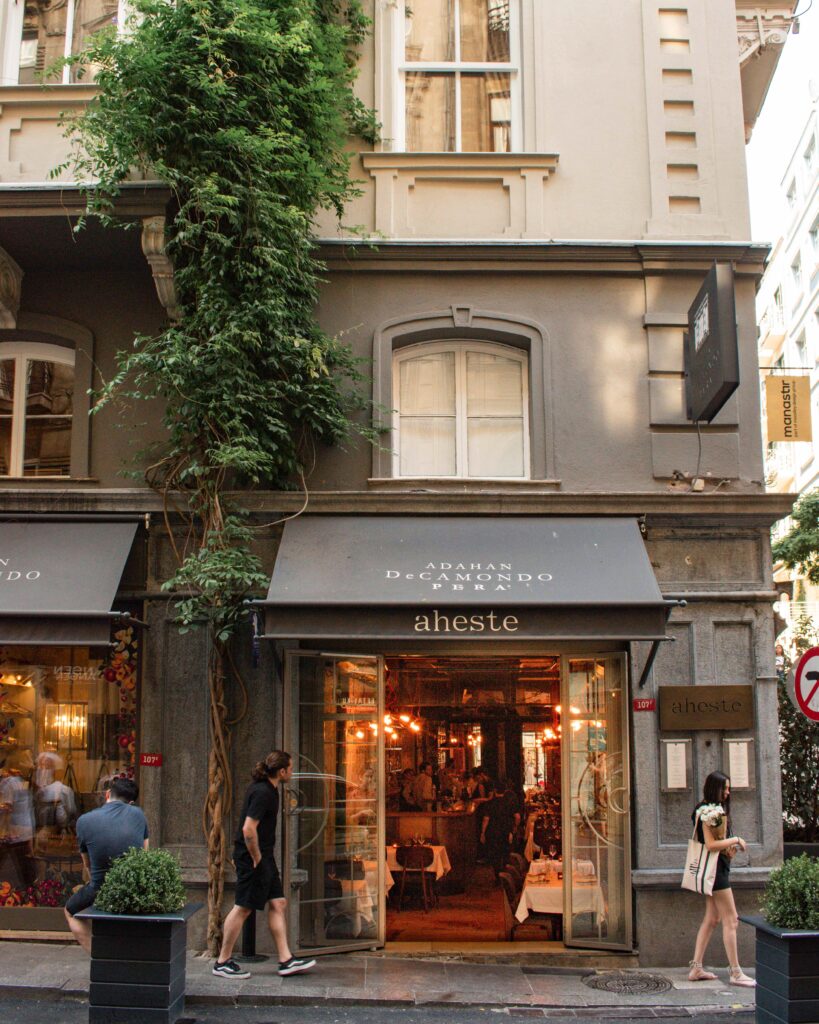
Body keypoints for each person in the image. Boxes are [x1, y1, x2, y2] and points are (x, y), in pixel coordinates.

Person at [213, 750, 315, 980]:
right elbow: (248, 829)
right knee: (243, 906)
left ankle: (285, 960)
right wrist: (257, 858)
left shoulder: (270, 789)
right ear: (281, 771)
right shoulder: (263, 793)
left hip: (264, 857)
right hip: (253, 858)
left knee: (278, 902)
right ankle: (222, 961)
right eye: (290, 768)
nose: (292, 771)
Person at [63, 777, 149, 952]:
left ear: (108, 794)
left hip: (100, 886)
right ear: (131, 803)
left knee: (70, 911)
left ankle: (98, 955)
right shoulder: (138, 814)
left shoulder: (84, 821)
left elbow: (87, 863)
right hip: (135, 886)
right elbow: (145, 855)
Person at [687, 771, 755, 987]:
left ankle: (696, 968)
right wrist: (735, 840)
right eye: (724, 788)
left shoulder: (703, 809)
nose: (727, 793)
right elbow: (711, 844)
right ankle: (735, 972)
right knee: (731, 919)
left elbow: (717, 844)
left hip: (715, 869)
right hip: (716, 873)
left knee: (712, 919)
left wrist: (728, 848)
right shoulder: (710, 812)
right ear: (714, 788)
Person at [480, 780, 516, 881]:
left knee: (494, 855)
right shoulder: (508, 803)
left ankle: (497, 876)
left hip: (492, 832)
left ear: (495, 791)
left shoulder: (490, 803)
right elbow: (516, 816)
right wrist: (514, 829)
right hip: (505, 831)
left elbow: (486, 819)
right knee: (504, 854)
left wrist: (482, 833)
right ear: (504, 791)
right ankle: (505, 876)